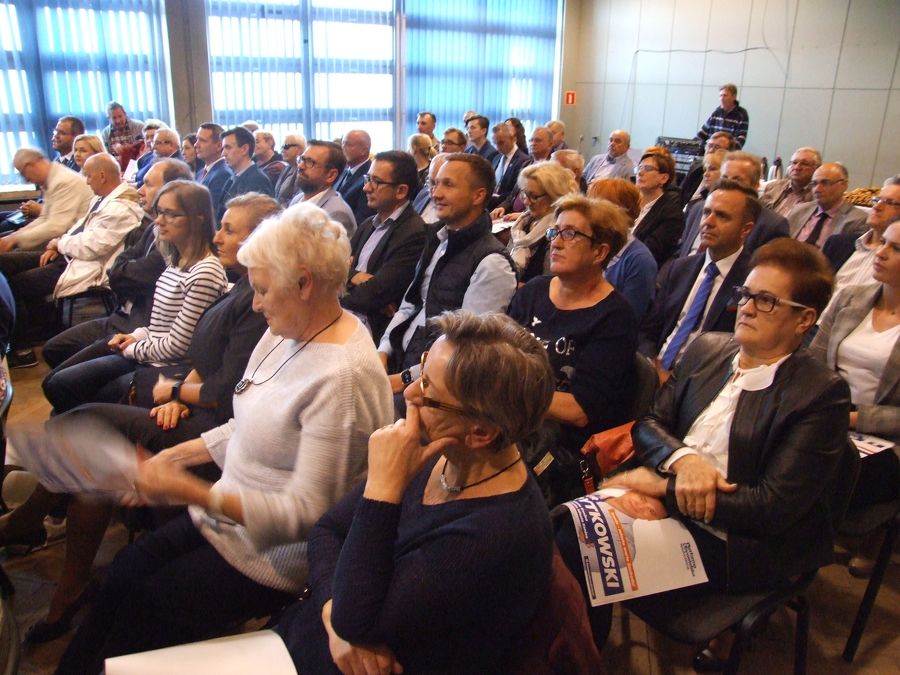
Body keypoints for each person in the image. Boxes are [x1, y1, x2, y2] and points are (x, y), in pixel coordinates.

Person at [54, 201, 394, 673]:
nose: (255, 303)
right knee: (123, 575)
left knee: (142, 613)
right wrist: (174, 459)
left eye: (262, 289)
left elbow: (307, 517)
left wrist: (187, 489)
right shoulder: (287, 330)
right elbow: (248, 422)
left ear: (304, 283)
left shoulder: (343, 379)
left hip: (270, 557)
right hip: (227, 518)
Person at [0, 194, 278, 646]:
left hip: (213, 426)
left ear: (262, 239)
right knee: (91, 462)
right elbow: (207, 356)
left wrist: (177, 393)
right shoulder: (243, 286)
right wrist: (182, 389)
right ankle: (60, 573)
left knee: (79, 423)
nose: (218, 236)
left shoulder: (258, 299)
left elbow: (229, 390)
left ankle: (27, 530)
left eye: (230, 229)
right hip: (188, 398)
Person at [565, 239, 850, 660]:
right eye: (746, 294)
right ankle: (583, 653)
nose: (746, 308)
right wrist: (686, 461)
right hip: (678, 501)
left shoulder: (820, 395)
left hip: (738, 542)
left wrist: (663, 490)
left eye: (767, 301)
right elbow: (648, 425)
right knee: (564, 530)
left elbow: (770, 509)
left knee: (573, 545)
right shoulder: (707, 349)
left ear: (804, 319)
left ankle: (582, 659)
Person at [277, 311, 555, 674]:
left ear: (480, 433)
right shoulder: (440, 450)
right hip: (310, 636)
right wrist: (333, 617)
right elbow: (326, 531)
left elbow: (357, 620)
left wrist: (382, 488)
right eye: (421, 374)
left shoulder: (497, 534)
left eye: (428, 393)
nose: (408, 394)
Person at [41, 180, 227, 412]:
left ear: (197, 220)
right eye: (160, 212)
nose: (159, 221)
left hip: (163, 364)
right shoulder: (176, 260)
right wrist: (135, 335)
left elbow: (179, 346)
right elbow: (160, 326)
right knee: (55, 381)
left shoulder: (205, 271)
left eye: (171, 215)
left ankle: (77, 426)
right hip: (148, 350)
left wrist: (131, 348)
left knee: (63, 386)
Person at [508, 194, 637, 505]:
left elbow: (579, 411)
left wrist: (503, 391)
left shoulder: (615, 317)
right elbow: (499, 354)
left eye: (570, 234)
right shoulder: (534, 291)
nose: (555, 242)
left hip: (561, 449)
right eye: (555, 232)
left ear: (600, 252)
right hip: (513, 418)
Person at [378, 154, 517, 401]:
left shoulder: (492, 262)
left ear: (478, 196)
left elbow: (466, 348)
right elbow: (411, 304)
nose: (436, 193)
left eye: (448, 185)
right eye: (435, 184)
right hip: (404, 359)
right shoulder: (437, 239)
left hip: (437, 384)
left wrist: (405, 378)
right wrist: (383, 350)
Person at [40, 159, 194, 370]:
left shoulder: (178, 241)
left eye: (148, 184)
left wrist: (121, 273)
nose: (139, 190)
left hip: (139, 327)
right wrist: (121, 273)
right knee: (53, 349)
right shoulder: (153, 228)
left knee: (61, 378)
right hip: (122, 315)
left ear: (171, 190)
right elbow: (117, 269)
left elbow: (136, 274)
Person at [810, 219, 900, 576]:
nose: (881, 252)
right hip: (827, 414)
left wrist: (851, 418)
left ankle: (781, 557)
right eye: (883, 242)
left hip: (883, 437)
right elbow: (814, 362)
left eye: (895, 248)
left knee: (814, 466)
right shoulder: (851, 298)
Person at [5, 153, 142, 369]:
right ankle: (37, 331)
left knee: (17, 283)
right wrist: (58, 244)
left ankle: (23, 349)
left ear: (102, 176)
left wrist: (59, 244)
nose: (86, 181)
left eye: (88, 176)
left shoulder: (121, 207)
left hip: (87, 266)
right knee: (6, 265)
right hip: (71, 257)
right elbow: (77, 228)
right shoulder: (101, 199)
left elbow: (92, 246)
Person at [639, 181, 759, 382]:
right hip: (654, 372)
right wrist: (652, 365)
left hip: (703, 383)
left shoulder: (752, 281)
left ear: (745, 229)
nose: (708, 222)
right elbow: (648, 330)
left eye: (722, 216)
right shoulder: (680, 268)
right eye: (706, 212)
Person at [342, 151, 426, 341]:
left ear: (401, 191)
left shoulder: (414, 233)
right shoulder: (368, 224)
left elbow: (372, 295)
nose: (366, 188)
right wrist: (355, 276)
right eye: (368, 179)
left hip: (372, 333)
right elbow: (333, 270)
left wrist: (344, 277)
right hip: (347, 319)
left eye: (376, 182)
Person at [588, 178, 658, 323]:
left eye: (596, 207)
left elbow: (628, 319)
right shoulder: (589, 244)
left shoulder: (640, 260)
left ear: (619, 212)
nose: (588, 214)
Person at [0, 148, 92, 252]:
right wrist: (14, 237)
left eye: (23, 173)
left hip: (76, 244)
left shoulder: (63, 181)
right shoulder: (52, 179)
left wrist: (15, 240)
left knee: (7, 257)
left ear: (32, 165)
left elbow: (56, 226)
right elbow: (44, 218)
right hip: (64, 239)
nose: (26, 180)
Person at [506, 161, 579, 283]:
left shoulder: (558, 235)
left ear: (555, 196)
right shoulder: (524, 222)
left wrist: (511, 285)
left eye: (534, 197)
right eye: (524, 194)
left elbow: (550, 285)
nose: (526, 202)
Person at [788, 162, 868, 247]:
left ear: (843, 185)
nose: (817, 189)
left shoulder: (858, 220)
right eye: (814, 184)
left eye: (825, 183)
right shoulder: (799, 210)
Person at [290, 140, 357, 237]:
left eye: (310, 162)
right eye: (301, 159)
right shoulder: (297, 199)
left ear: (331, 175)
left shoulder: (336, 213)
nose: (300, 166)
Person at [632, 146, 684, 266]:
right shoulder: (629, 201)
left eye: (648, 168)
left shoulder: (671, 213)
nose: (640, 173)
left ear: (664, 178)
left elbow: (649, 252)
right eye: (639, 168)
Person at [217, 126, 275, 223]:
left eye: (228, 147)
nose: (223, 154)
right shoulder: (233, 178)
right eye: (223, 148)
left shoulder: (257, 181)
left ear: (244, 149)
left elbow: (254, 223)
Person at [677, 148, 727, 257]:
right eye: (705, 170)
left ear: (726, 174)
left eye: (712, 169)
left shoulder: (731, 212)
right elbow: (681, 248)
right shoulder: (696, 207)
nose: (706, 174)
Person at [760, 147, 820, 218]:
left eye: (804, 164)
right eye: (794, 163)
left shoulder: (817, 195)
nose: (797, 167)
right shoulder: (774, 186)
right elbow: (756, 212)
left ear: (816, 168)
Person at [194, 122, 234, 218]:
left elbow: (214, 214)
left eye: (202, 141)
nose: (196, 145)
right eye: (197, 139)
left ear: (219, 146)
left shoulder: (223, 174)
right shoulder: (200, 172)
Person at [335, 129, 375, 224]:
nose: (343, 148)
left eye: (348, 145)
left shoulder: (370, 177)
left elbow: (363, 219)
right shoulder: (342, 172)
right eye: (342, 144)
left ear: (364, 150)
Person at [695, 83, 749, 149]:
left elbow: (741, 139)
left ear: (734, 97)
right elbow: (703, 133)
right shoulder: (717, 112)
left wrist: (725, 150)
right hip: (711, 151)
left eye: (725, 95)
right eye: (720, 96)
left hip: (727, 153)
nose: (722, 98)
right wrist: (693, 145)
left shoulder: (741, 114)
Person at [101, 101, 144, 169]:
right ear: (108, 118)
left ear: (125, 114)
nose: (118, 121)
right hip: (116, 169)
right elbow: (106, 157)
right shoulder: (105, 133)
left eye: (120, 116)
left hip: (137, 166)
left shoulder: (139, 127)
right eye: (114, 118)